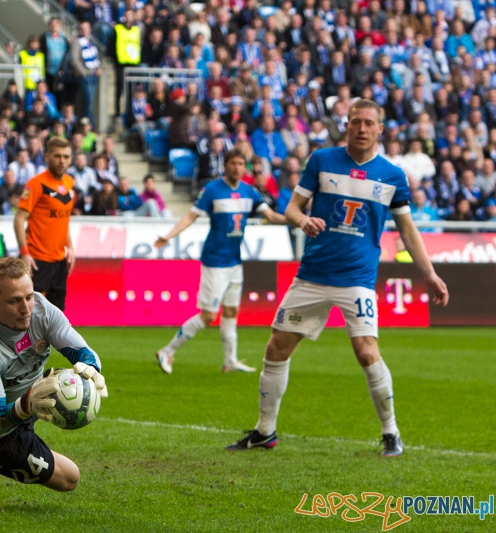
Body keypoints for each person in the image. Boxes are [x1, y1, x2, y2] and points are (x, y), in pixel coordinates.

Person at [226, 100, 449, 457]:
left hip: (357, 279)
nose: (361, 128)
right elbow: (292, 208)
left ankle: (391, 432)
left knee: (366, 351)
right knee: (276, 347)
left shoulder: (392, 176)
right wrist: (302, 221)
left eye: (368, 123)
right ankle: (265, 431)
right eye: (356, 122)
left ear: (380, 129)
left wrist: (431, 275)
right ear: (346, 125)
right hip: (313, 274)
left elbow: (408, 230)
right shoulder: (322, 160)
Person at [0, 257, 107, 491]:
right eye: (14, 301)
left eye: (29, 297)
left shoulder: (42, 310)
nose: (26, 309)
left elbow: (82, 351)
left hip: (31, 393)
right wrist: (26, 405)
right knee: (70, 479)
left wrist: (92, 367)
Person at [154, 149, 286, 374]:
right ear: (225, 165)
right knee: (207, 315)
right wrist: (169, 235)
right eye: (232, 163)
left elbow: (272, 216)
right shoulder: (212, 190)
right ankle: (168, 350)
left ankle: (230, 361)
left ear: (245, 167)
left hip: (235, 261)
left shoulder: (249, 192)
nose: (236, 167)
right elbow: (190, 216)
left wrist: (300, 221)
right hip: (215, 262)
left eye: (240, 164)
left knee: (232, 311)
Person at [14, 137, 76, 311]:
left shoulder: (69, 182)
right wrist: (24, 253)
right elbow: (19, 219)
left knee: (57, 319)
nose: (62, 161)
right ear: (47, 157)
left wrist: (70, 248)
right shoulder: (36, 184)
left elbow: (63, 219)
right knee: (30, 317)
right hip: (37, 260)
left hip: (59, 262)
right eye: (57, 156)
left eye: (66, 156)